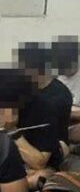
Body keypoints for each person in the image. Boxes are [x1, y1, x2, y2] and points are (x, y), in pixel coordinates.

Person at [15, 42, 72, 184]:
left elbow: (41, 158)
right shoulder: (23, 90)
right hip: (25, 144)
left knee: (40, 176)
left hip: (50, 148)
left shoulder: (56, 99)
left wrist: (12, 131)